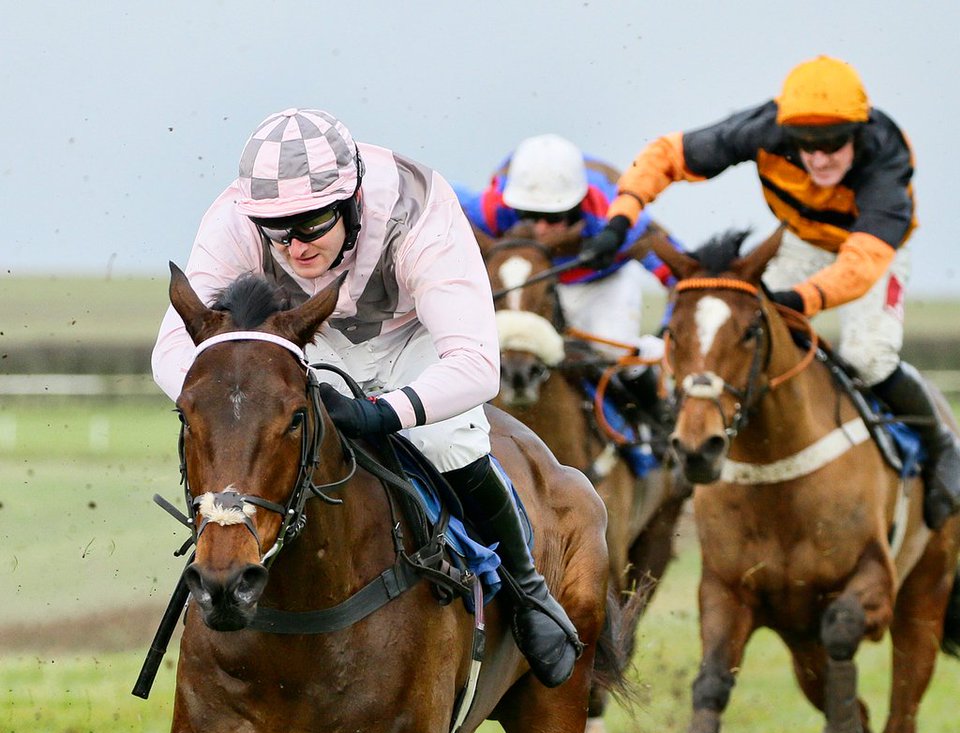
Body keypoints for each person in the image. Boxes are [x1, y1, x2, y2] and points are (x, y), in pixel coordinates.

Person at [152, 108, 580, 687]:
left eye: (313, 224)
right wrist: (237, 403)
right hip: (308, 336)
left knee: (448, 438)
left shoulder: (418, 209)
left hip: (415, 335)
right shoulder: (236, 218)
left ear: (352, 200)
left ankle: (529, 593)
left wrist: (381, 412)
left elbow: (478, 364)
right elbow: (176, 351)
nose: (294, 247)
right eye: (277, 231)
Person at [582, 55, 960, 530]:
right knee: (741, 341)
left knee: (868, 358)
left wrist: (800, 301)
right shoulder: (763, 128)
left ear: (858, 132)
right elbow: (666, 154)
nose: (818, 159)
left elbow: (860, 266)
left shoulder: (887, 162)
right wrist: (621, 217)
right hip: (799, 242)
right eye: (806, 145)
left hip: (870, 253)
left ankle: (941, 445)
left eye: (833, 145)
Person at [455, 134, 683, 415]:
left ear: (578, 206)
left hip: (598, 283)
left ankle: (655, 426)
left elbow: (680, 274)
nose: (540, 229)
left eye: (553, 217)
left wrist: (665, 333)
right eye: (527, 214)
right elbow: (440, 195)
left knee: (614, 351)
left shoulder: (614, 219)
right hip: (529, 287)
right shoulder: (490, 210)